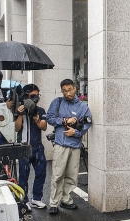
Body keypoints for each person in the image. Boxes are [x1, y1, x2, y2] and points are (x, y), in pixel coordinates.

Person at [46, 78, 90, 214]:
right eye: (64, 91)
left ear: (75, 88)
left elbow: (88, 124)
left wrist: (75, 132)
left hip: (75, 146)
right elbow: (49, 118)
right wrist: (64, 120)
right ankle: (54, 203)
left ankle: (66, 199)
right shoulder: (57, 102)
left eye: (69, 90)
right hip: (61, 144)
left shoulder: (83, 107)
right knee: (58, 175)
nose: (67, 93)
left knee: (72, 176)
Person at [15, 84, 48, 209]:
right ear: (26, 95)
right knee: (23, 175)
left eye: (37, 95)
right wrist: (19, 114)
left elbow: (43, 127)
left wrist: (35, 117)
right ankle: (25, 200)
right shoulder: (19, 110)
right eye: (33, 96)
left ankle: (36, 198)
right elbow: (16, 128)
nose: (36, 98)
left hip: (38, 146)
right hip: (24, 147)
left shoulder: (40, 110)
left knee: (41, 173)